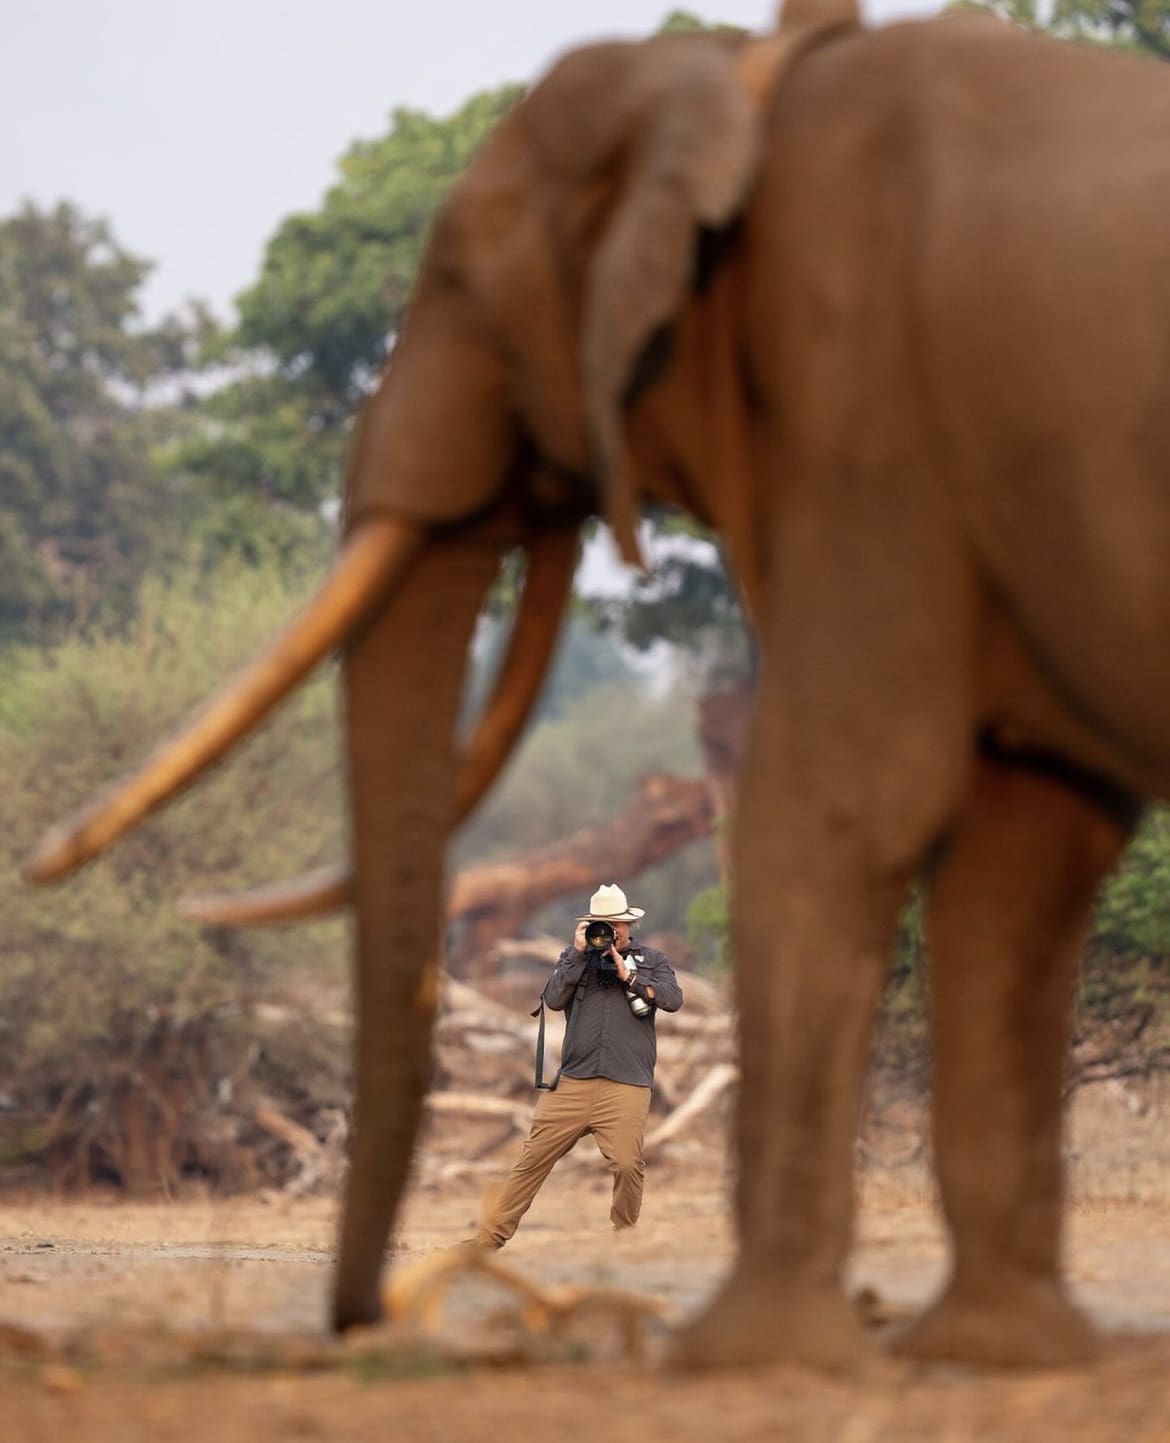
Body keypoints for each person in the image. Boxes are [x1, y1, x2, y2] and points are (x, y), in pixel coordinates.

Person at [466, 883, 683, 1250]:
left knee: (629, 1165)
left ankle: (625, 1242)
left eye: (617, 925)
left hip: (626, 1083)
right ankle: (487, 1241)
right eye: (603, 924)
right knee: (530, 1160)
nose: (611, 932)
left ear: (630, 926)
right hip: (574, 1081)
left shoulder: (652, 961)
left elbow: (673, 999)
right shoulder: (575, 960)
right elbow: (552, 999)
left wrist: (627, 974)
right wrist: (577, 955)